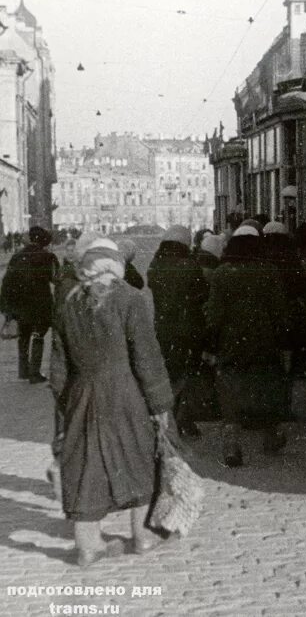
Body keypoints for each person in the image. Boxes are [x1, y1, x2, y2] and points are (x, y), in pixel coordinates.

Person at [49, 237, 175, 566]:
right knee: (139, 456)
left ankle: (88, 546)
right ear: (117, 265)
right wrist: (161, 403)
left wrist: (65, 408)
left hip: (81, 392)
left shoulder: (66, 302)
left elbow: (59, 365)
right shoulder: (131, 299)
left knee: (84, 465)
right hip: (125, 392)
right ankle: (144, 536)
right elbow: (147, 358)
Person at [204, 224, 292, 467]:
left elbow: (214, 315)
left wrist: (211, 346)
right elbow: (280, 312)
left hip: (230, 343)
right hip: (264, 342)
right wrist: (284, 343)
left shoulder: (222, 273)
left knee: (230, 390)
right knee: (267, 388)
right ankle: (272, 437)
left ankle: (232, 443)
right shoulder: (269, 271)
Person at [147, 225, 209, 439]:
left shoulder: (156, 264)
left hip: (164, 327)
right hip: (188, 326)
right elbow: (202, 293)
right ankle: (182, 419)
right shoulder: (190, 265)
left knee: (169, 373)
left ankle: (167, 419)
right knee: (188, 374)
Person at [0, 226, 59, 383]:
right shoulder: (48, 257)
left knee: (24, 336)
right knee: (38, 335)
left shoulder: (17, 256)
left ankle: (23, 370)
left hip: (20, 305)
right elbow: (56, 279)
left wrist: (6, 308)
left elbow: (7, 282)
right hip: (40, 304)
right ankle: (35, 372)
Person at [262, 220, 306, 375]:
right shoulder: (290, 256)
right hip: (289, 304)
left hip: (269, 308)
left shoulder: (263, 255)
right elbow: (300, 283)